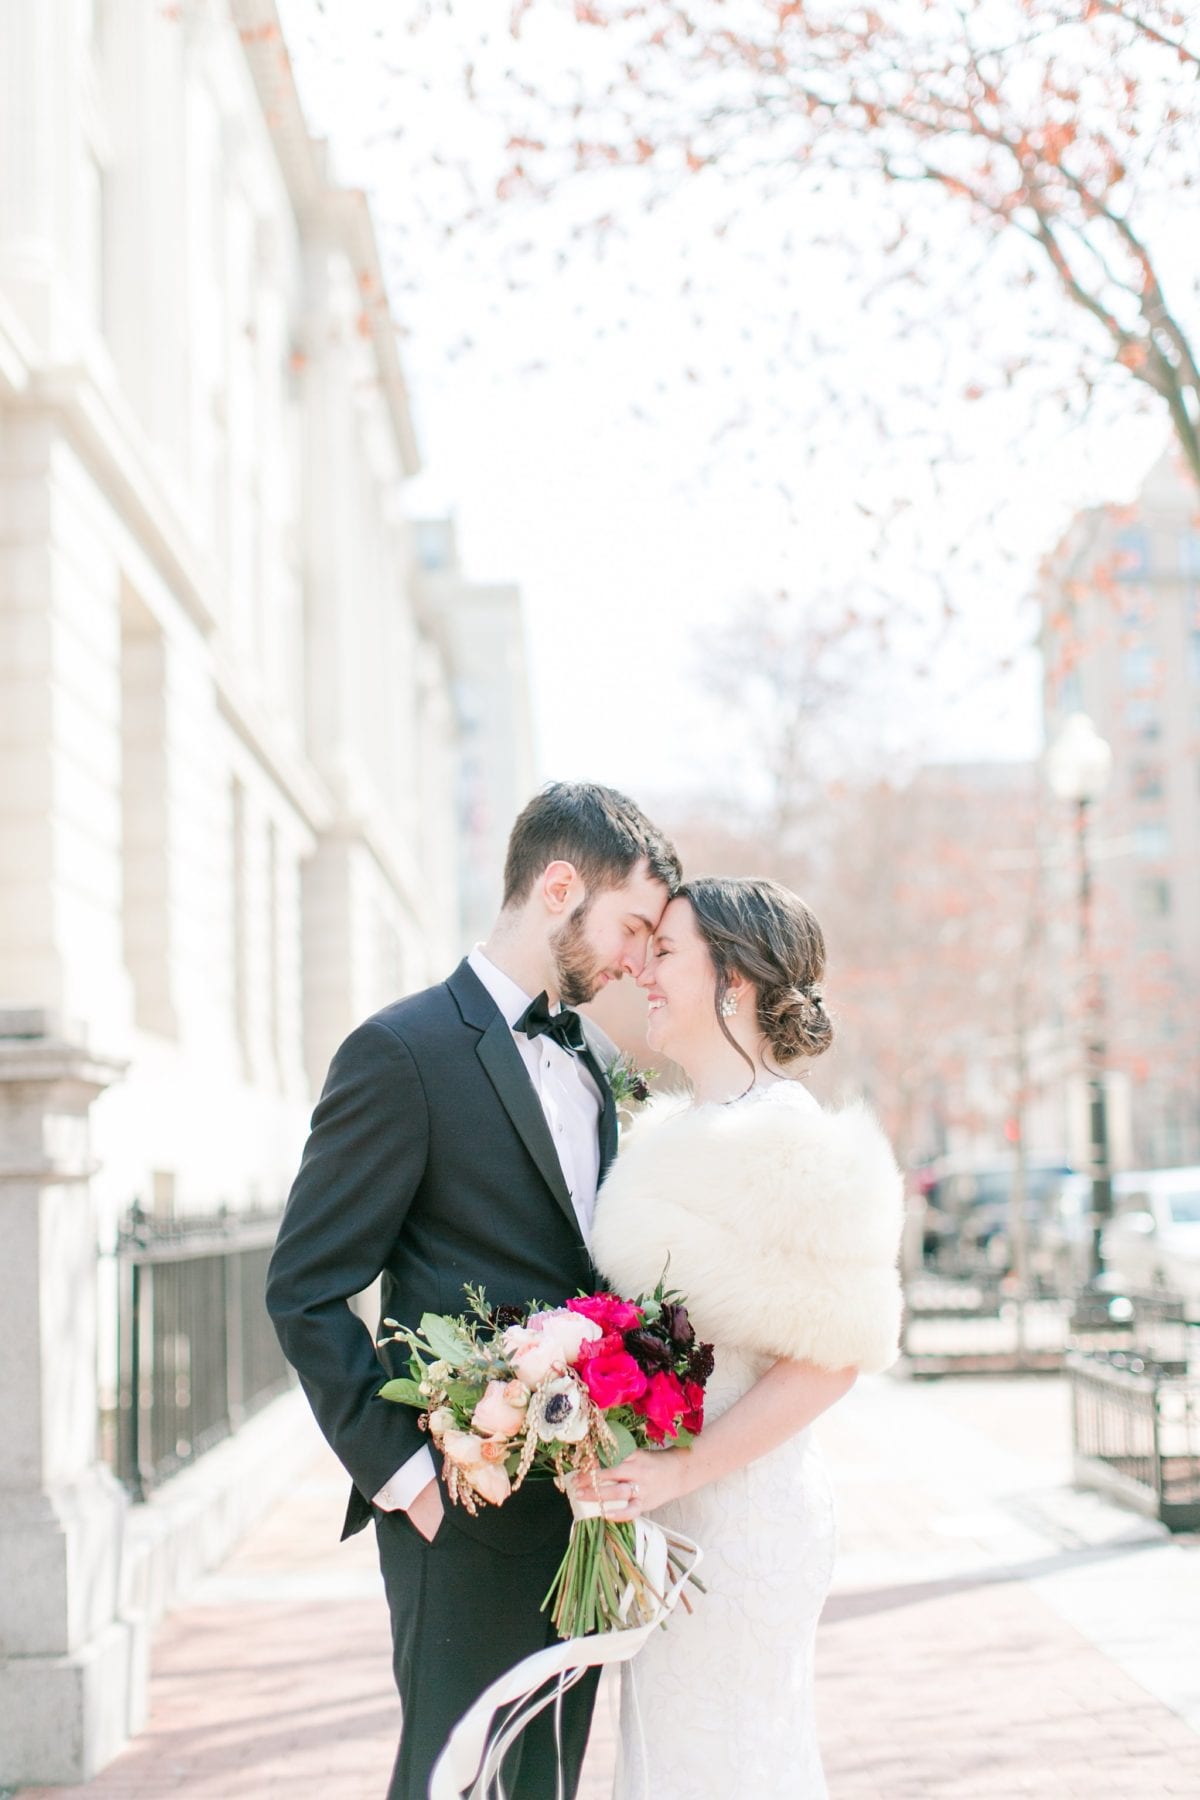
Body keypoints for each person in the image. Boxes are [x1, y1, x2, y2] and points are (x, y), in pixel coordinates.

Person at [265, 781, 680, 1800]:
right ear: (556, 887)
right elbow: (306, 1289)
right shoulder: (400, 1052)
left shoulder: (594, 1062)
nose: (635, 958)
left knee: (544, 1782)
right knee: (455, 1781)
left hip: (583, 1518)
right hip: (458, 1516)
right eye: (631, 925)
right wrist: (405, 1481)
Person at [588, 876, 904, 1800]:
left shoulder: (793, 1140)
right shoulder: (667, 1132)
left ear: (735, 981)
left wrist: (685, 1471)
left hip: (742, 1517)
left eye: (668, 952)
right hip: (663, 1518)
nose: (643, 969)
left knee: (728, 1763)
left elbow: (832, 1358)